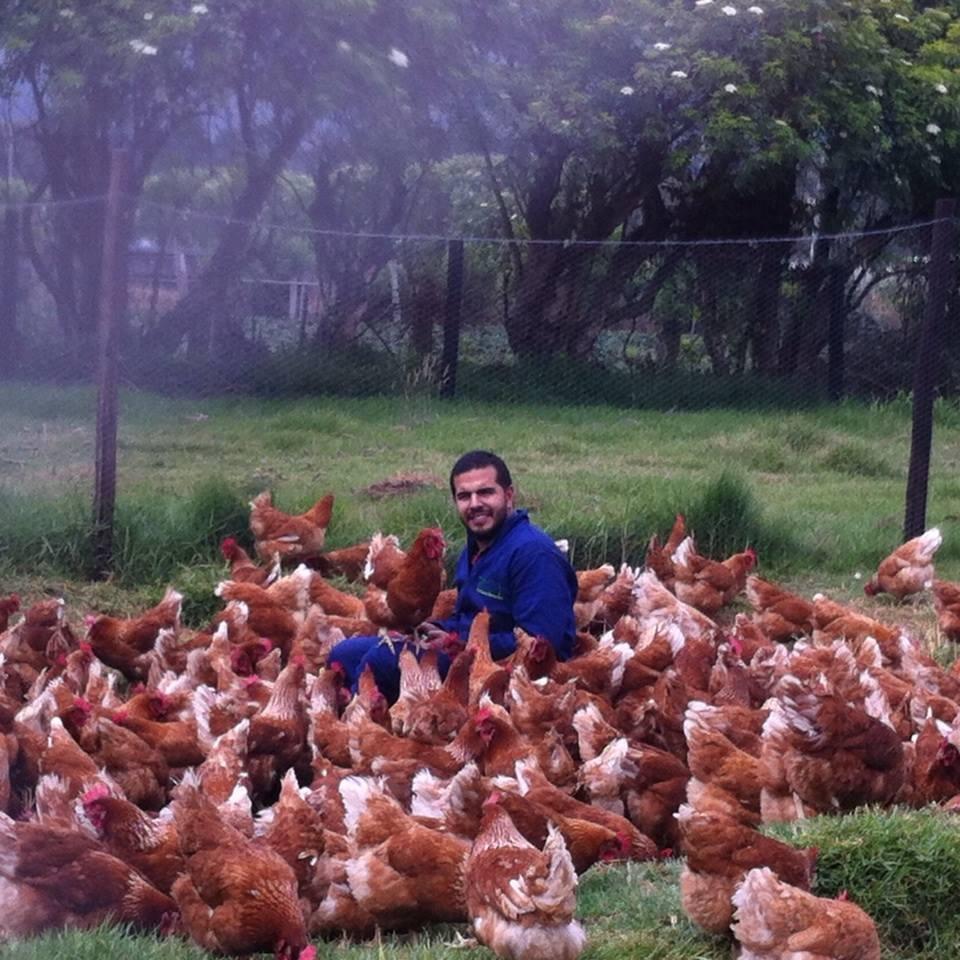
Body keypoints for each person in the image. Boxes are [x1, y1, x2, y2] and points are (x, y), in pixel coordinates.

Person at [328, 450, 578, 702]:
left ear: (509, 495)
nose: (475, 504)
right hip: (468, 651)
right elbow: (465, 616)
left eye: (485, 492)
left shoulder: (533, 554)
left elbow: (543, 642)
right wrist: (438, 629)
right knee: (344, 652)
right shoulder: (476, 548)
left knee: (380, 660)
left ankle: (365, 732)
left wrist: (460, 643)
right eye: (464, 496)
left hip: (507, 666)